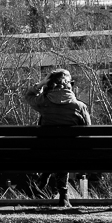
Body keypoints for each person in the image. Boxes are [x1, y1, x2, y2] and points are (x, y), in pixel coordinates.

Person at [24, 68, 91, 207]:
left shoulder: (43, 102)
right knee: (64, 152)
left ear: (50, 85)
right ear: (69, 85)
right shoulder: (79, 107)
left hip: (46, 152)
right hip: (70, 155)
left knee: (55, 150)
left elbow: (28, 96)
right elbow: (88, 131)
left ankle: (46, 176)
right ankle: (63, 193)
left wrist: (41, 84)